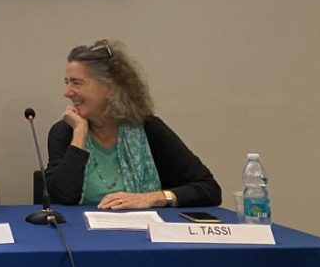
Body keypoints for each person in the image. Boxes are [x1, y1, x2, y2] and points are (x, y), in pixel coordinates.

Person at [44, 40, 221, 209]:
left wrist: (154, 198)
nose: (67, 92)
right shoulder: (65, 132)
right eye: (67, 83)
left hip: (143, 228)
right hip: (80, 229)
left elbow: (209, 189)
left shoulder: (148, 128)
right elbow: (61, 198)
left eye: (77, 83)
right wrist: (79, 135)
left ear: (109, 88)